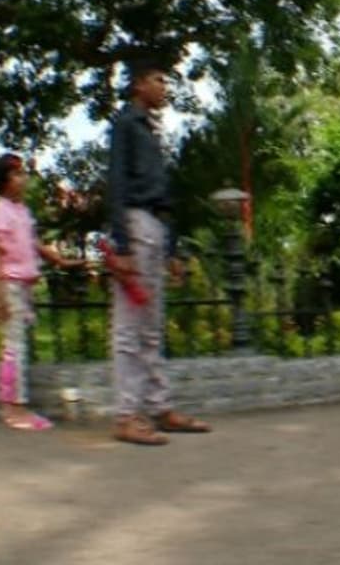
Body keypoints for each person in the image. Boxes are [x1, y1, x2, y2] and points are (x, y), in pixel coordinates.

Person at [106, 60, 210, 445]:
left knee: (151, 327)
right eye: (158, 79)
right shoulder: (125, 124)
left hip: (156, 227)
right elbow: (116, 184)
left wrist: (172, 250)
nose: (165, 86)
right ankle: (127, 415)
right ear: (137, 84)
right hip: (134, 226)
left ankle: (159, 407)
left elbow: (163, 200)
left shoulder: (150, 129)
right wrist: (121, 246)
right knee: (129, 328)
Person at [0, 153, 85, 431]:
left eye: (23, 173)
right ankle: (14, 410)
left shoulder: (22, 211)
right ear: (4, 182)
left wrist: (59, 260)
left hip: (24, 286)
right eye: (16, 174)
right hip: (10, 285)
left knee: (18, 346)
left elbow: (33, 243)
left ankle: (14, 406)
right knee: (14, 348)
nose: (23, 178)